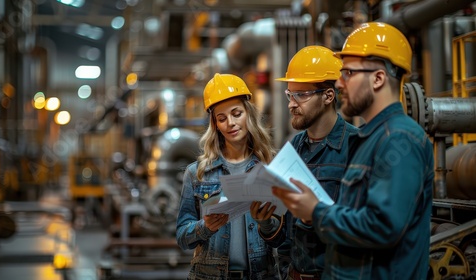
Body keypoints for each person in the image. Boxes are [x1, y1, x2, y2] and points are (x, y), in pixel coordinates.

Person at [272, 22, 435, 279]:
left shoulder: (400, 140)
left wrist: (315, 211)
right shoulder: (371, 138)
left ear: (378, 78)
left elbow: (383, 226)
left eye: (348, 72)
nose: (339, 82)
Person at [249, 45, 358, 280]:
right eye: (290, 94)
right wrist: (266, 222)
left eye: (302, 94)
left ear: (329, 96)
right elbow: (286, 238)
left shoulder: (357, 147)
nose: (291, 104)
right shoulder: (293, 150)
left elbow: (364, 230)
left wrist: (315, 215)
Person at [176, 73, 279, 280]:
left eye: (236, 113)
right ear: (215, 124)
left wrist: (266, 223)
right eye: (221, 118)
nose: (230, 123)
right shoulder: (197, 174)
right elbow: (182, 238)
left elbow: (282, 240)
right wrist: (204, 227)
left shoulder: (269, 169)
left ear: (248, 114)